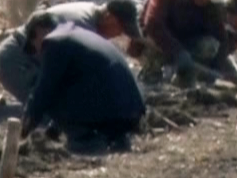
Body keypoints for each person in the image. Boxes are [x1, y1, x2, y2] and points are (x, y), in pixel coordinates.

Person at [20, 16, 147, 154]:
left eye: (33, 46)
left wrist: (23, 131)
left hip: (111, 111)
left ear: (39, 31)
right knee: (63, 87)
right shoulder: (77, 34)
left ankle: (85, 141)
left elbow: (43, 92)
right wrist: (52, 131)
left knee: (52, 94)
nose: (37, 52)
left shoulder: (54, 41)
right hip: (130, 108)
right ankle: (116, 140)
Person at [0, 0, 142, 105]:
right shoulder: (81, 26)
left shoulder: (92, 13)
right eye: (120, 30)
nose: (117, 35)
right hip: (14, 61)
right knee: (51, 113)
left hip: (31, 58)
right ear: (109, 17)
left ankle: (3, 108)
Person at [135, 0, 233, 84]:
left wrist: (217, 67)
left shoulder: (209, 3)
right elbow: (152, 23)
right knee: (153, 50)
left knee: (210, 46)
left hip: (187, 43)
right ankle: (150, 77)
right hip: (159, 41)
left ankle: (185, 77)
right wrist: (177, 51)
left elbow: (221, 36)